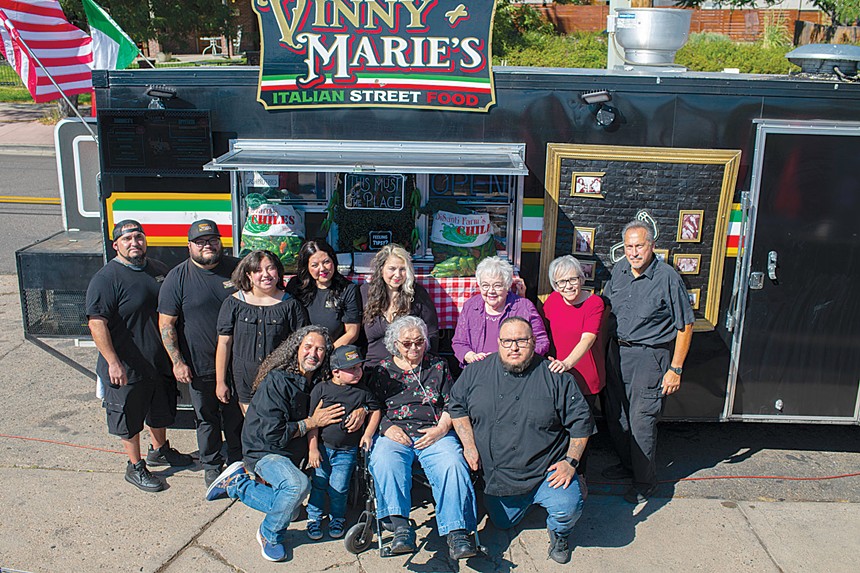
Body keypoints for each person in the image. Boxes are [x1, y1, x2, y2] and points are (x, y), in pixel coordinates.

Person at [449, 317, 595, 564]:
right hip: (500, 477)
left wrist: (571, 461)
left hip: (546, 472)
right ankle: (523, 505)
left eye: (521, 340)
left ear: (533, 341)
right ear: (498, 343)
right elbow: (457, 406)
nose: (514, 347)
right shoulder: (476, 372)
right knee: (502, 522)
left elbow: (581, 423)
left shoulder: (556, 377)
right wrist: (469, 445)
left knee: (568, 505)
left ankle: (560, 531)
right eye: (507, 341)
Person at [204, 326, 346, 562]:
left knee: (289, 510)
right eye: (308, 347)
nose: (313, 353)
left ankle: (237, 483)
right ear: (296, 349)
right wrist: (311, 422)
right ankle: (269, 533)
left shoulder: (320, 382)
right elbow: (272, 432)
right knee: (296, 487)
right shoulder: (277, 381)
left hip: (290, 453)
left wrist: (362, 410)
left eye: (320, 349)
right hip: (264, 450)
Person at [86, 219, 193, 493]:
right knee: (129, 416)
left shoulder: (158, 270)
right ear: (116, 245)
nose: (134, 243)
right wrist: (113, 362)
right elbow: (96, 324)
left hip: (158, 361)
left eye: (138, 237)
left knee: (161, 410)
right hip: (126, 367)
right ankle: (135, 465)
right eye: (127, 239)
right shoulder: (106, 279)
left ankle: (159, 449)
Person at [366, 316, 478, 560]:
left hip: (434, 432)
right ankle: (400, 528)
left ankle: (457, 532)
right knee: (384, 459)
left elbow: (453, 404)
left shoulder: (438, 366)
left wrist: (441, 429)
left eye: (419, 342)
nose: (414, 348)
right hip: (396, 432)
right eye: (407, 343)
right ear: (395, 343)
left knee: (453, 464)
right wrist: (386, 428)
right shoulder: (382, 370)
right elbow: (373, 407)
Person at [601, 220, 694, 504]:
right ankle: (629, 465)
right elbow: (603, 307)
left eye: (639, 246)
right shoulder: (618, 271)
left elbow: (685, 326)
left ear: (652, 245)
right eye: (629, 246)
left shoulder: (667, 277)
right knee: (616, 416)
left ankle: (645, 482)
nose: (633, 252)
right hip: (618, 352)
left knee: (641, 421)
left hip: (649, 355)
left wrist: (675, 369)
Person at [158, 220, 244, 487]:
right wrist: (177, 362)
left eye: (212, 240)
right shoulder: (177, 277)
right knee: (206, 418)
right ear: (190, 246)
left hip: (237, 362)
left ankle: (237, 461)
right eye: (201, 242)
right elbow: (166, 324)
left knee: (236, 415)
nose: (208, 245)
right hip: (199, 364)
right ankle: (211, 465)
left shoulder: (237, 268)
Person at [216, 250, 309, 413]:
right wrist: (220, 382)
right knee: (252, 427)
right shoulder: (233, 303)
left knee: (273, 427)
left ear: (278, 272)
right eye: (258, 270)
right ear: (249, 275)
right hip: (244, 379)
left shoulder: (291, 305)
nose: (265, 274)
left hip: (279, 379)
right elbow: (224, 343)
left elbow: (301, 346)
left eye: (270, 268)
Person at [306, 345, 382, 540]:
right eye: (352, 368)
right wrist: (313, 448)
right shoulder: (321, 389)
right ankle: (313, 518)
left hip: (347, 451)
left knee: (339, 488)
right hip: (323, 448)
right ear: (336, 372)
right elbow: (312, 420)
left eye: (359, 367)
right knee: (319, 483)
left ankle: (337, 517)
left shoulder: (362, 392)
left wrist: (368, 435)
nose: (358, 372)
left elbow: (376, 410)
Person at [542, 255, 606, 476]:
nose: (568, 286)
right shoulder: (552, 301)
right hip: (558, 375)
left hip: (584, 376)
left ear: (582, 278)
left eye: (573, 279)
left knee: (580, 430)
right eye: (561, 282)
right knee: (557, 427)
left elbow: (588, 338)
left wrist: (567, 362)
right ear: (555, 285)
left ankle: (580, 475)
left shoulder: (594, 303)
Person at [452, 256, 549, 367]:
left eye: (497, 285)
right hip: (478, 371)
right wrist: (471, 356)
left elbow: (541, 342)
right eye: (485, 285)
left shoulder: (524, 307)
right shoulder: (470, 306)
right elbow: (459, 342)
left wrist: (518, 359)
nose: (491, 291)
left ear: (507, 286)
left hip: (514, 372)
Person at [360, 244, 438, 364]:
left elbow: (432, 333)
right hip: (373, 366)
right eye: (392, 269)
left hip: (409, 366)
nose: (398, 275)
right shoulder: (365, 293)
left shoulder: (417, 294)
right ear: (381, 269)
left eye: (402, 269)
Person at [286, 239, 362, 348]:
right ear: (306, 267)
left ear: (333, 261)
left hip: (333, 351)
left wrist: (326, 354)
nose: (322, 269)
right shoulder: (295, 286)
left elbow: (352, 332)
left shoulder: (348, 289)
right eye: (315, 265)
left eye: (326, 262)